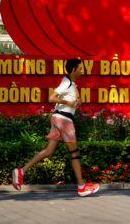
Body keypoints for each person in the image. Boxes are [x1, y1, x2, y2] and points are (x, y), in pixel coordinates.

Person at [12, 58, 100, 196]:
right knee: (75, 153)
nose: (82, 70)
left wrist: (75, 99)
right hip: (64, 120)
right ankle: (82, 187)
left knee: (48, 151)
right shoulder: (67, 83)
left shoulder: (71, 83)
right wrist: (68, 102)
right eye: (80, 68)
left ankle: (21, 171)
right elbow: (51, 98)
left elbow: (75, 101)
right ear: (72, 70)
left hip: (58, 118)